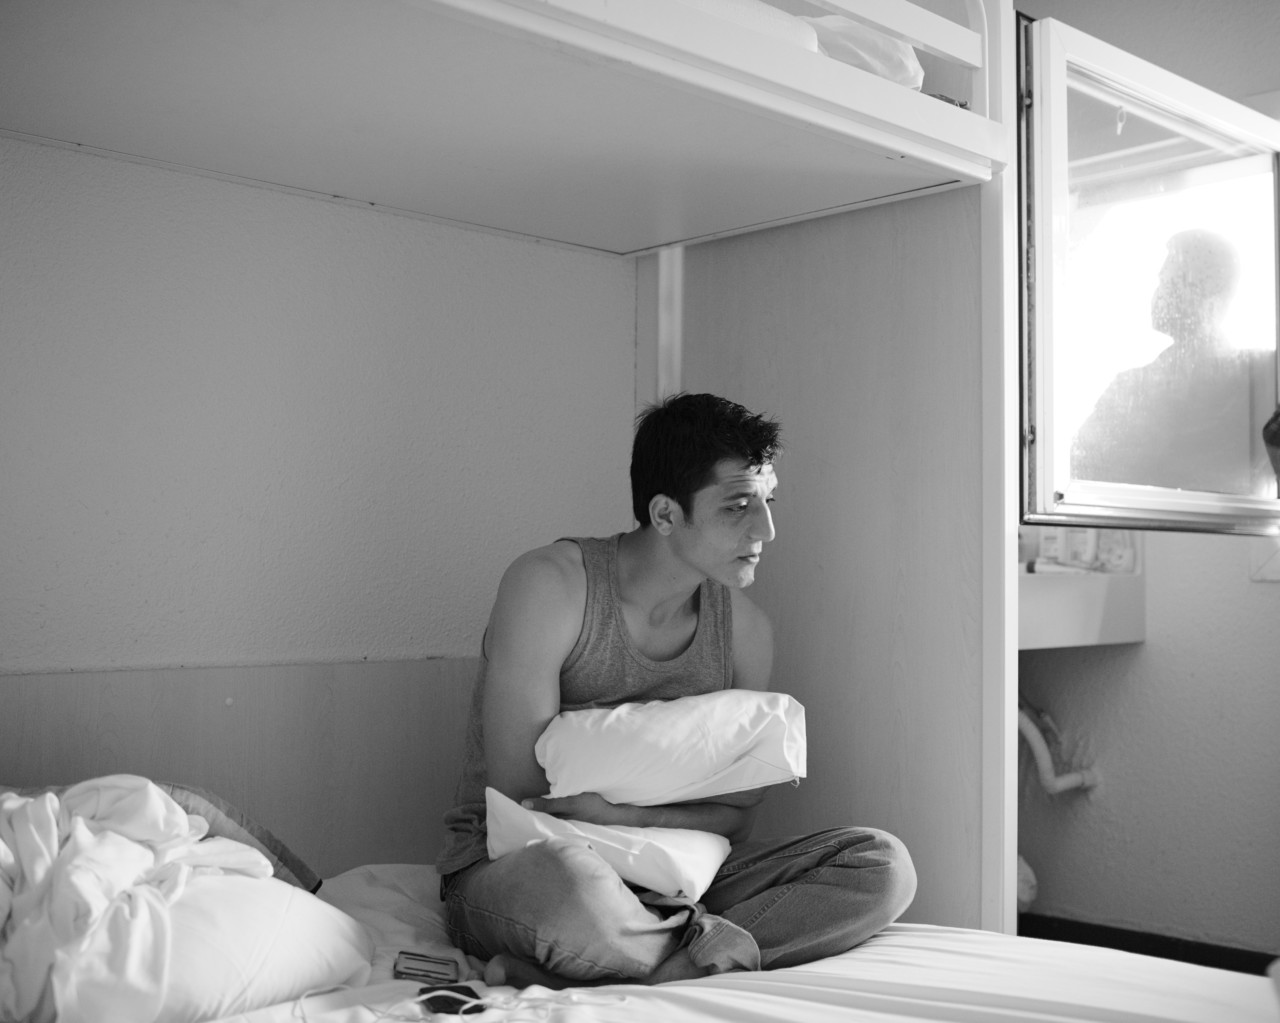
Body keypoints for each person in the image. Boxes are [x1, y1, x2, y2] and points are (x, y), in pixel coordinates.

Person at [437, 392, 916, 989]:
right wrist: (614, 833)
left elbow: (735, 820)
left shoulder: (745, 632)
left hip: (681, 871)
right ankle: (699, 948)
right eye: (738, 506)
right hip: (523, 867)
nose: (766, 529)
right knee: (569, 887)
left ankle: (644, 962)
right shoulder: (550, 589)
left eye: (767, 502)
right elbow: (522, 798)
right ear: (665, 514)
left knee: (882, 864)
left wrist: (626, 816)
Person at [1072, 228, 1276, 495]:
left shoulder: (1262, 376)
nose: (1159, 294)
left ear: (1212, 301)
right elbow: (1078, 472)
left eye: (1170, 283)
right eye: (1162, 282)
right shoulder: (1131, 387)